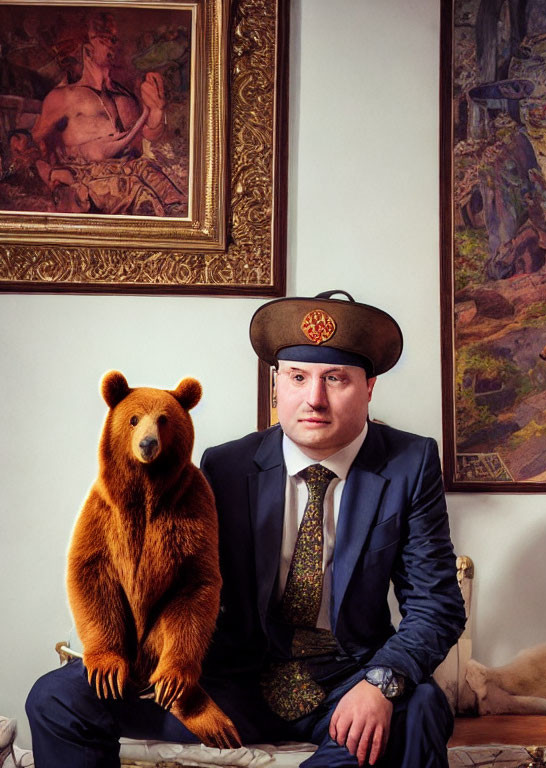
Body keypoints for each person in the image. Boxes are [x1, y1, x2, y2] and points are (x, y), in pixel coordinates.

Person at [26, 290, 466, 767]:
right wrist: (166, 670)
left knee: (420, 708)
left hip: (346, 680)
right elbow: (177, 583)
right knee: (56, 698)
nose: (313, 399)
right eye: (298, 377)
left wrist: (380, 682)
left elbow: (435, 604)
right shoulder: (226, 464)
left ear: (369, 387)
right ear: (277, 385)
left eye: (335, 379)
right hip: (232, 681)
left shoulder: (410, 463)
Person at [30, 12, 184, 215]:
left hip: (130, 178)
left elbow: (147, 137)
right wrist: (53, 177)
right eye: (102, 37)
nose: (111, 43)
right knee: (139, 192)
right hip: (86, 188)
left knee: (168, 197)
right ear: (86, 48)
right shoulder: (63, 96)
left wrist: (156, 110)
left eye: (113, 38)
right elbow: (34, 143)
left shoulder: (126, 97)